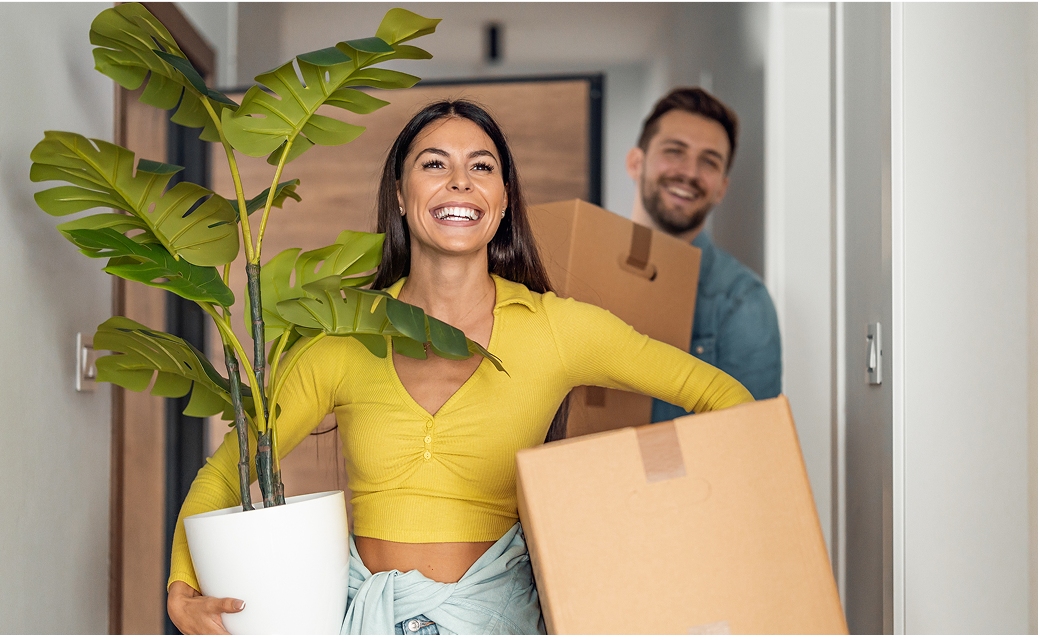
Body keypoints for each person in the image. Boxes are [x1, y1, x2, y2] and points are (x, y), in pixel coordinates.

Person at [166, 100, 754, 635]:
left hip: (499, 620)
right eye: (433, 164)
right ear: (400, 194)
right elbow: (229, 467)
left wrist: (673, 532)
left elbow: (723, 397)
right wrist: (180, 590)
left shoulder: (556, 328)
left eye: (481, 167)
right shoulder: (343, 334)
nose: (458, 182)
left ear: (502, 201)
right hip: (364, 619)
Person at [625, 87, 782, 423]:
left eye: (709, 161)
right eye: (675, 151)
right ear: (636, 163)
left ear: (721, 188)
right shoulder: (578, 270)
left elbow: (751, 440)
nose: (690, 172)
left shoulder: (742, 301)